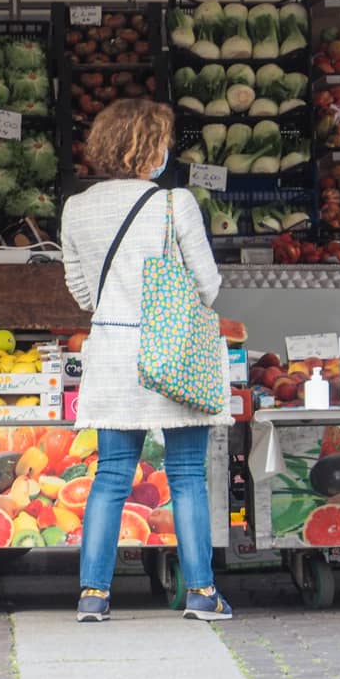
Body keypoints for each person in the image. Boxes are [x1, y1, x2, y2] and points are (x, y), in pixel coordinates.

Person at [60, 99, 232, 624]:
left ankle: (93, 595)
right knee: (185, 474)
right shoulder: (173, 203)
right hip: (173, 352)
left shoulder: (76, 208)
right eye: (163, 142)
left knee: (110, 474)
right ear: (148, 148)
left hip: (112, 353)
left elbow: (81, 294)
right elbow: (208, 285)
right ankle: (202, 593)